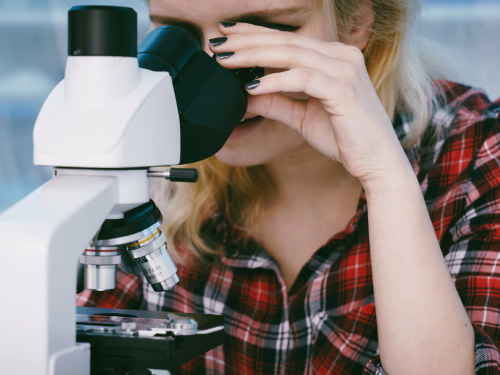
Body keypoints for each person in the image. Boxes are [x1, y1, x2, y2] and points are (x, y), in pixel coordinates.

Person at [77, 0, 500, 373]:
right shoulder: (153, 165)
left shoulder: (480, 154)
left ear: (356, 25)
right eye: (179, 35)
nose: (211, 71)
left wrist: (385, 178)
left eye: (259, 30)